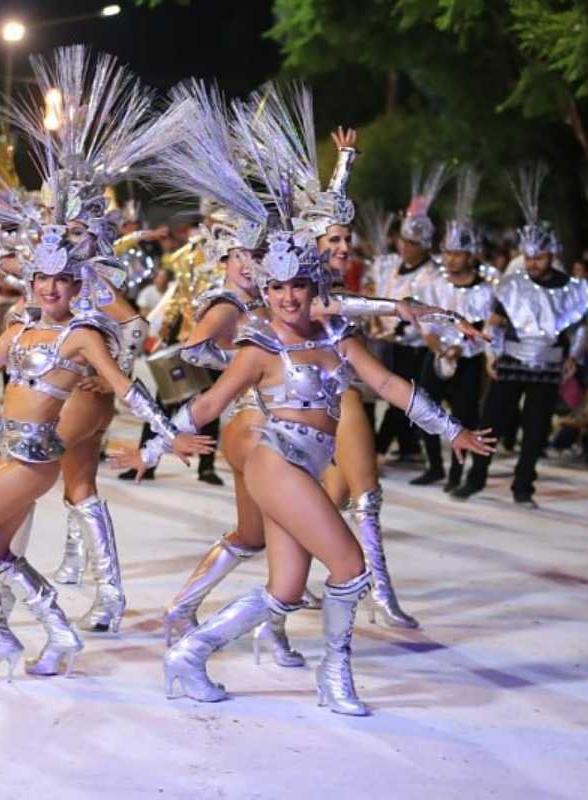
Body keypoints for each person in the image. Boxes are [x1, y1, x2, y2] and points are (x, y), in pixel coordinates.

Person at [123, 82, 493, 716]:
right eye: (278, 289)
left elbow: (388, 385)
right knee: (348, 567)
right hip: (275, 460)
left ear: (311, 285)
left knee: (287, 589)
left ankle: (189, 652)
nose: (289, 297)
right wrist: (153, 446)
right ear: (265, 291)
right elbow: (206, 405)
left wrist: (450, 428)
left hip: (307, 460)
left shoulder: (335, 334)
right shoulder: (260, 343)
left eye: (298, 286)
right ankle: (335, 678)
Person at [0, 162, 211, 683]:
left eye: (61, 277)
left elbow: (130, 378)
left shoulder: (84, 327)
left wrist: (165, 434)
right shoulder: (19, 330)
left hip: (39, 449)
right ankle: (59, 632)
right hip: (15, 449)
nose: (50, 284)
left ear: (76, 277)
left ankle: (4, 635)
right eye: (42, 277)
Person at [452, 174, 588, 506]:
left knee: (536, 428)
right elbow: (495, 323)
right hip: (511, 361)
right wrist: (492, 354)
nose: (533, 263)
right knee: (491, 423)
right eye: (528, 258)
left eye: (539, 257)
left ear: (551, 254)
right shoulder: (512, 284)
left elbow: (580, 327)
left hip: (548, 365)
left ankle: (523, 487)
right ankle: (475, 479)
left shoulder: (572, 288)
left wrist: (573, 356)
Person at [411, 165, 497, 490]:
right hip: (436, 356)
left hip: (468, 360)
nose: (451, 259)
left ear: (470, 255)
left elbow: (486, 329)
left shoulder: (485, 290)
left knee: (464, 417)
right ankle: (434, 465)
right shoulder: (433, 284)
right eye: (447, 252)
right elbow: (426, 324)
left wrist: (461, 349)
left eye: (458, 253)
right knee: (424, 410)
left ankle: (458, 474)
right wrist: (439, 351)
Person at [374, 162, 451, 463]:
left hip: (416, 347)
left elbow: (428, 315)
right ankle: (408, 446)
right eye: (403, 241)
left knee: (402, 397)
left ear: (424, 245)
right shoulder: (391, 266)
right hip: (388, 344)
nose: (405, 247)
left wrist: (400, 332)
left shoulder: (432, 276)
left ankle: (379, 447)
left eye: (412, 243)